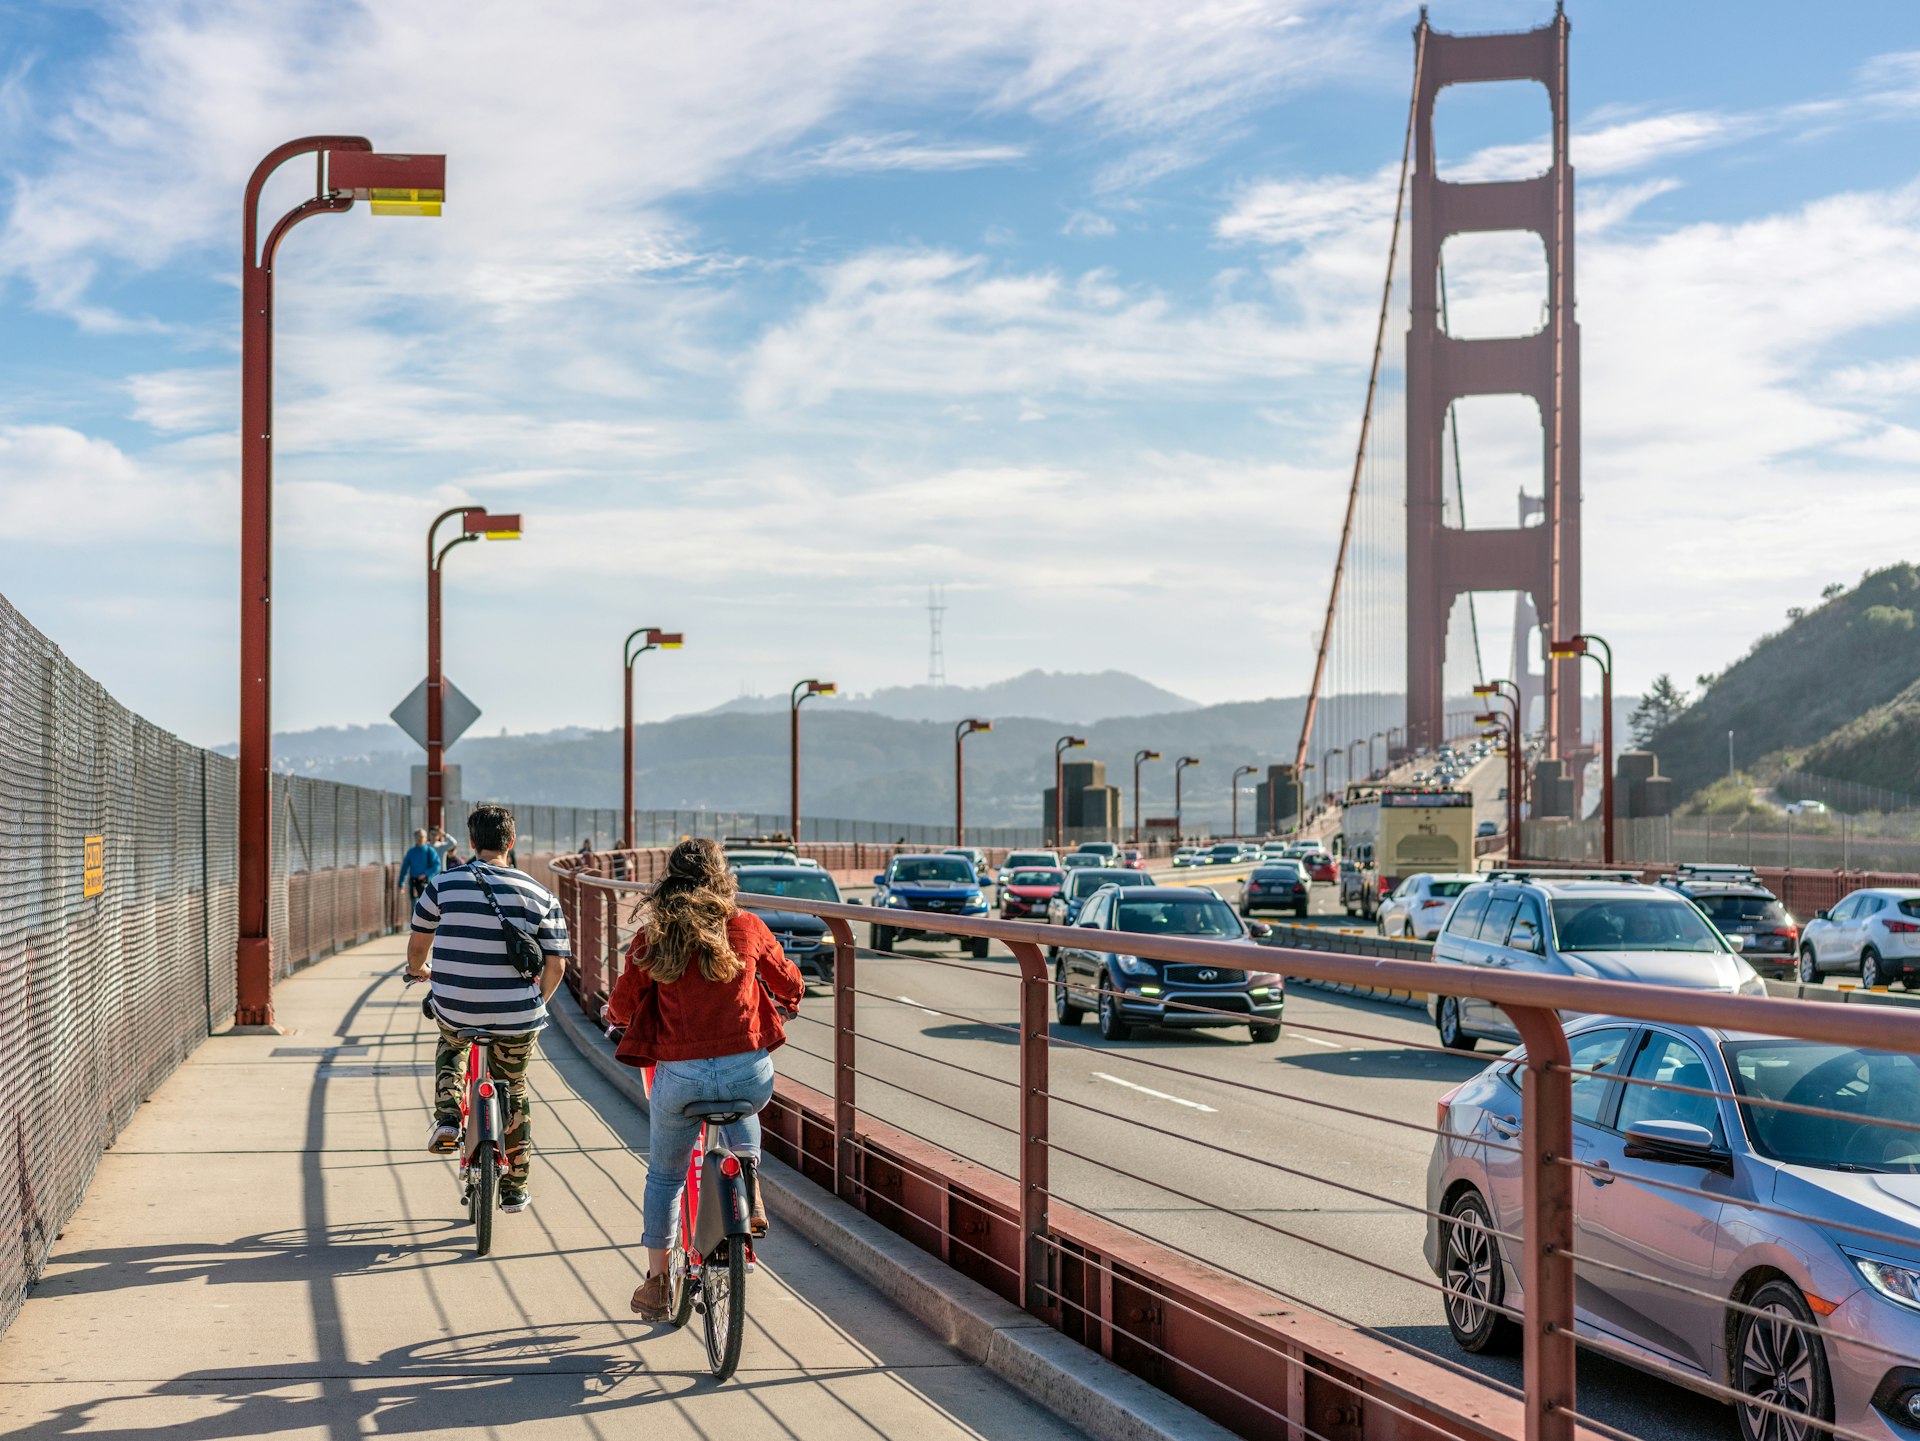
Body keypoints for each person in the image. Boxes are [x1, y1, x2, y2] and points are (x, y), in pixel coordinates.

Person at [606, 837, 803, 1321]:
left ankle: (657, 1283)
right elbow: (789, 981)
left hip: (681, 1079)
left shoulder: (654, 935)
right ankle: (750, 1184)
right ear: (722, 877)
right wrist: (790, 1001)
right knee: (744, 1105)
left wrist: (615, 1019)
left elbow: (623, 1002)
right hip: (747, 1074)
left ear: (670, 880)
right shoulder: (747, 926)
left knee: (666, 1177)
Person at [406, 803, 571, 1214]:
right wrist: (537, 1003)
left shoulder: (443, 885)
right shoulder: (540, 893)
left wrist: (419, 970)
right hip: (518, 1014)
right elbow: (558, 965)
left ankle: (447, 1118)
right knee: (513, 1087)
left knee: (450, 1042)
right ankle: (515, 1187)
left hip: (457, 1006)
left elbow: (417, 947)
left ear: (473, 842)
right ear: (511, 843)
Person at [396, 829, 442, 908]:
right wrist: (401, 883)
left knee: (427, 905)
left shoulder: (429, 851)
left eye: (421, 837)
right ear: (415, 838)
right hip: (414, 882)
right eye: (417, 837)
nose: (419, 839)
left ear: (425, 838)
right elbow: (404, 868)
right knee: (415, 906)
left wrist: (426, 874)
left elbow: (437, 866)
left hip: (426, 882)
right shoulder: (411, 852)